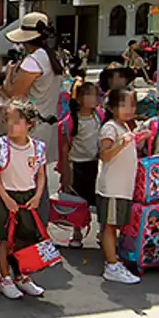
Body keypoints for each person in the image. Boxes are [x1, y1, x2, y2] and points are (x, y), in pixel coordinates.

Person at [0, 100, 50, 299]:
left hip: (28, 197)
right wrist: (6, 199)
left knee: (26, 239)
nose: (10, 125)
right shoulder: (0, 146)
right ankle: (4, 278)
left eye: (16, 121)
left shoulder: (38, 148)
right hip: (6, 196)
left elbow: (40, 174)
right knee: (5, 239)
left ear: (29, 123)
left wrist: (38, 196)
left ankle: (23, 276)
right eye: (8, 120)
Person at [96, 88, 150, 284]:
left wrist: (137, 139)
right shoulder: (110, 128)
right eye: (123, 104)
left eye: (132, 105)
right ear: (112, 107)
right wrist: (122, 142)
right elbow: (105, 154)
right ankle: (111, 265)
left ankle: (114, 260)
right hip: (112, 188)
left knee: (114, 225)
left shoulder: (125, 127)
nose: (129, 109)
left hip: (122, 188)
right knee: (109, 226)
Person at [4, 12, 64, 161]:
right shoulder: (55, 56)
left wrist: (9, 74)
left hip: (33, 125)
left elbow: (14, 93)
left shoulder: (33, 61)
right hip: (49, 122)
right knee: (41, 173)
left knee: (27, 173)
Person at [60, 81, 102, 248]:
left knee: (98, 201)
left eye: (94, 95)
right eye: (87, 95)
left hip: (96, 165)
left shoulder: (99, 116)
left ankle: (101, 231)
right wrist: (65, 173)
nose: (92, 99)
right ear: (79, 99)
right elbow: (65, 149)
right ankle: (76, 232)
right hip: (77, 166)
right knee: (78, 202)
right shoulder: (70, 121)